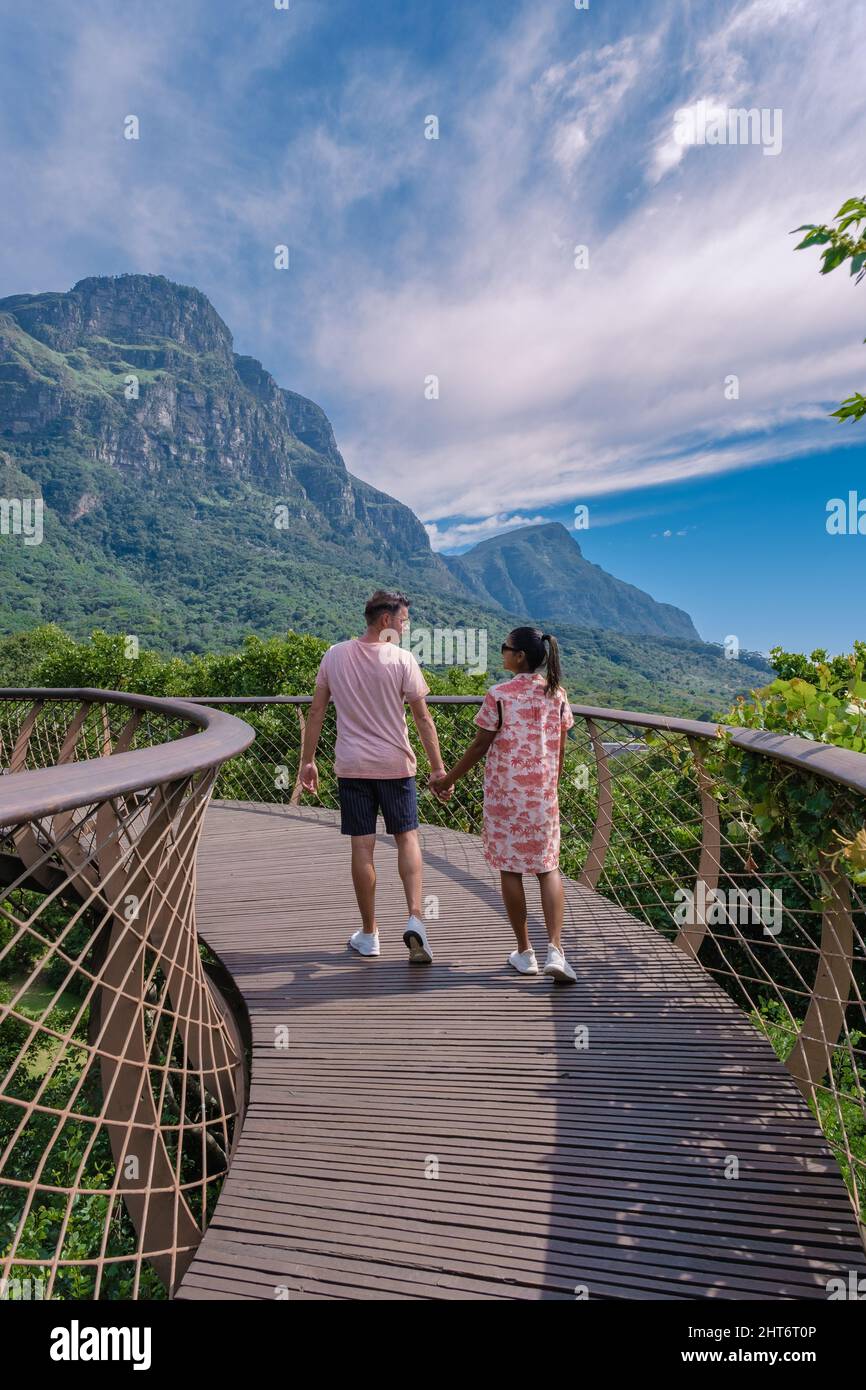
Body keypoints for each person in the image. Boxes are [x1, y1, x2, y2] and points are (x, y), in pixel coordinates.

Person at [299, 590, 451, 963]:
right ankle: (416, 918)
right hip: (395, 766)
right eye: (403, 620)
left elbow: (316, 712)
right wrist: (437, 768)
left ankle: (369, 934)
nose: (405, 626)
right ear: (385, 620)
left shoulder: (334, 655)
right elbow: (422, 718)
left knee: (362, 847)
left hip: (352, 766)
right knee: (407, 838)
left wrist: (308, 760)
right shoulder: (402, 660)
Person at [430, 627, 577, 983]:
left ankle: (525, 952)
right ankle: (555, 950)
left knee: (510, 869)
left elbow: (480, 745)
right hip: (543, 795)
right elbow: (560, 746)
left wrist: (447, 780)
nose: (502, 653)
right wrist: (552, 787)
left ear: (520, 656)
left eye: (505, 648)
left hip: (505, 795)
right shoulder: (557, 695)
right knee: (548, 868)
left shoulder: (498, 695)